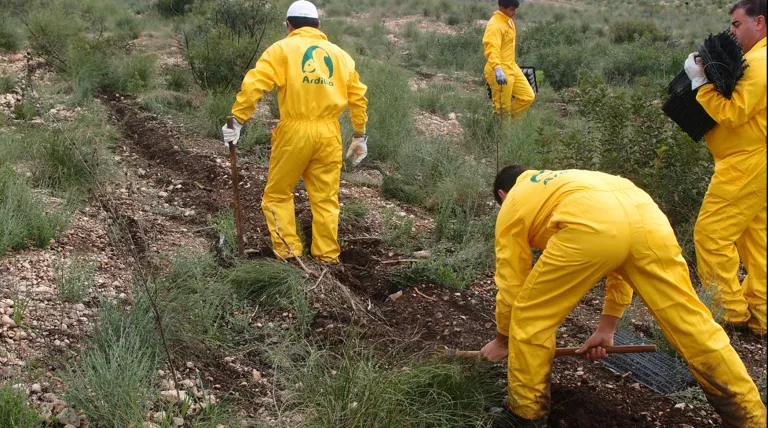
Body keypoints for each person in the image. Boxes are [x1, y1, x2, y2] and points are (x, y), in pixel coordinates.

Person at [480, 165, 766, 428]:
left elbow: (511, 282)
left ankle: (525, 414)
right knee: (692, 324)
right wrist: (607, 328)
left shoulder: (514, 202)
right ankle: (751, 418)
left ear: (503, 194)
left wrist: (505, 338)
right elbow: (620, 256)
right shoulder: (569, 180)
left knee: (531, 317)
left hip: (589, 223)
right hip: (646, 215)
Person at [222, 0, 369, 263]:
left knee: (277, 194)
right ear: (319, 26)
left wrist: (237, 120)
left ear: (289, 26)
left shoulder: (281, 49)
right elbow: (358, 97)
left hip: (294, 132)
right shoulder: (341, 55)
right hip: (329, 133)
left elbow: (255, 84)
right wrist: (359, 135)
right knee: (325, 198)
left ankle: (290, 255)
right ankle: (327, 258)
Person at [684, 0, 767, 336]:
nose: (731, 32)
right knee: (755, 240)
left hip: (745, 161)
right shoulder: (757, 59)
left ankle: (729, 313)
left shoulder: (760, 63)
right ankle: (762, 314)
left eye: (736, 24)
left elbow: (733, 113)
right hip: (752, 160)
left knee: (711, 235)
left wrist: (700, 84)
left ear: (759, 23)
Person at [483, 0, 535, 121]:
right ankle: (500, 133)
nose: (515, 12)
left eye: (515, 9)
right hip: (499, 70)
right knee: (501, 108)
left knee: (528, 96)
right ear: (502, 8)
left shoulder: (508, 21)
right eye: (512, 9)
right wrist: (497, 68)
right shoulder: (494, 25)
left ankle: (504, 123)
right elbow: (492, 48)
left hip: (512, 67)